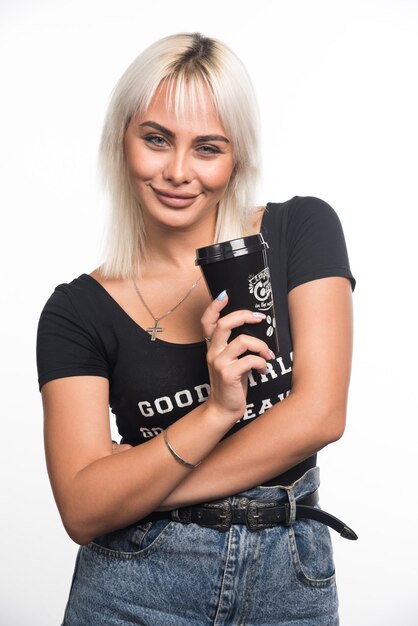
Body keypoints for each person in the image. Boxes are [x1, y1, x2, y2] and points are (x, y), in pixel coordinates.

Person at [36, 32, 357, 626]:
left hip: (290, 577)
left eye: (207, 148)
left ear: (237, 156)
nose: (178, 172)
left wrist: (140, 485)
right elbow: (82, 510)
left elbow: (320, 416)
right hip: (136, 584)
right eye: (156, 140)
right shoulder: (75, 312)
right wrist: (214, 411)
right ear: (122, 138)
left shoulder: (298, 232)